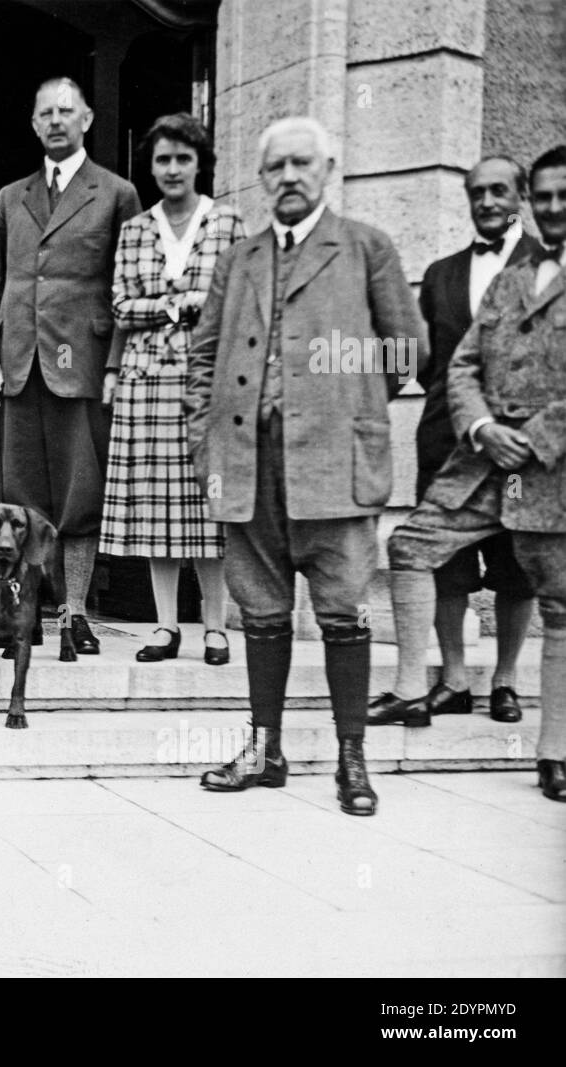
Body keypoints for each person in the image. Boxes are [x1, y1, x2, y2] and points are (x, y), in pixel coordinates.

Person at [184, 116, 427, 816]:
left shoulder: (364, 247)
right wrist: (206, 443)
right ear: (260, 179)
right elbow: (203, 355)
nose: (288, 177)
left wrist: (345, 408)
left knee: (342, 614)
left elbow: (408, 349)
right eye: (275, 167)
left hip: (334, 470)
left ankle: (352, 757)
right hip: (246, 462)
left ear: (328, 170)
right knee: (260, 612)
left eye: (301, 164)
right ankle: (265, 748)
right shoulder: (241, 258)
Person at [384, 145, 566, 802]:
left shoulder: (532, 262)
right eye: (542, 197)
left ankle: (549, 744)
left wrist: (534, 437)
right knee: (415, 547)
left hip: (547, 468)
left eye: (556, 196)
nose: (548, 208)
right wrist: (482, 426)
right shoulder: (488, 276)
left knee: (549, 594)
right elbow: (452, 364)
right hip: (472, 455)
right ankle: (423, 686)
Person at [367, 158, 539, 725]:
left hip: (520, 450)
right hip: (447, 440)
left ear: (520, 197)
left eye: (498, 191)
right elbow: (413, 355)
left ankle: (507, 680)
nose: (487, 201)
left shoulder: (548, 267)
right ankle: (455, 678)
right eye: (477, 193)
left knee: (517, 567)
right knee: (444, 564)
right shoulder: (440, 274)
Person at [0, 77, 141, 660]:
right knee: (20, 496)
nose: (55, 122)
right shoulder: (8, 197)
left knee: (79, 493)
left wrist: (117, 364)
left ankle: (75, 614)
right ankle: (23, 613)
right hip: (19, 365)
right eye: (45, 113)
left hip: (83, 364)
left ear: (88, 119)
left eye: (65, 112)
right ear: (34, 124)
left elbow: (130, 286)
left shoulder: (116, 193)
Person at [99, 113, 247, 666]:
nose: (173, 169)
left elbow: (241, 299)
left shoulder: (227, 224)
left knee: (207, 508)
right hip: (146, 381)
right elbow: (118, 304)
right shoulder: (136, 228)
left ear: (199, 163)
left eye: (183, 158)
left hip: (208, 379)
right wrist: (169, 306)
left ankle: (214, 627)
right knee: (158, 512)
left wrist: (197, 309)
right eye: (163, 159)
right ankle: (165, 627)